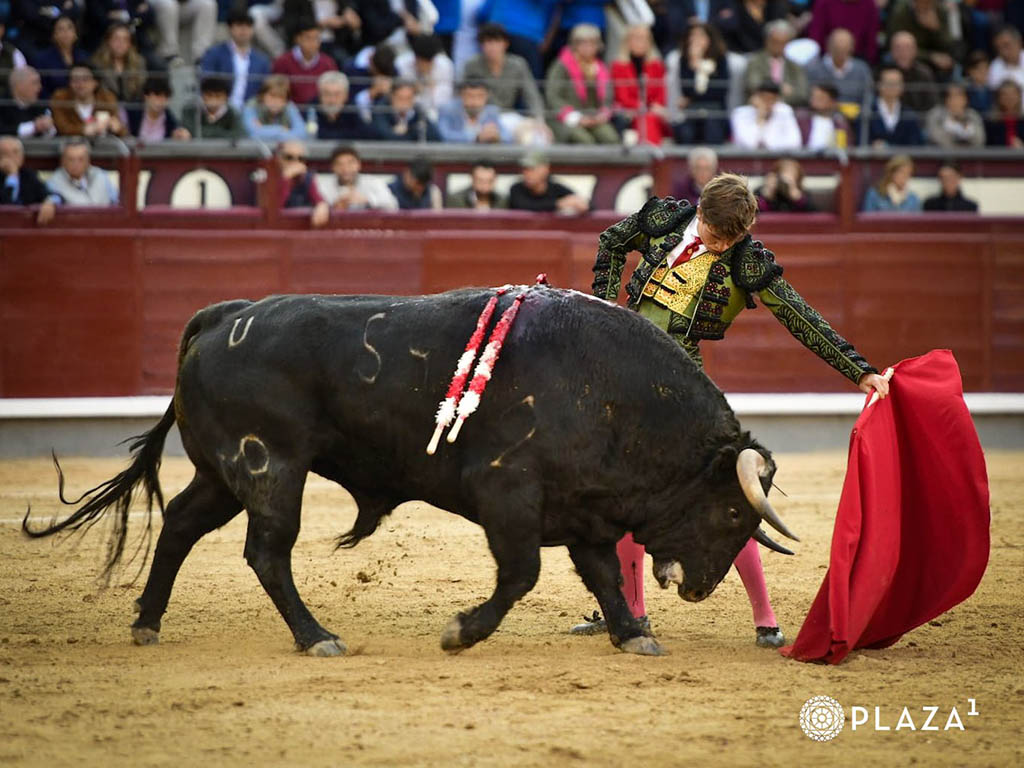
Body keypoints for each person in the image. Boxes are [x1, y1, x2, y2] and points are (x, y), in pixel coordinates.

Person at [578, 173, 888, 646]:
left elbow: (800, 316)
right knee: (617, 498)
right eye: (715, 236)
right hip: (621, 377)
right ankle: (627, 613)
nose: (722, 247)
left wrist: (860, 371)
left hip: (684, 388)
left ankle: (766, 619)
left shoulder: (747, 263)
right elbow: (612, 241)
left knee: (725, 496)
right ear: (699, 214)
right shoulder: (666, 218)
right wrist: (603, 306)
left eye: (732, 240)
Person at [461, 22, 546, 140]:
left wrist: (539, 120)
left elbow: (531, 95)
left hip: (509, 116)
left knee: (537, 135)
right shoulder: (472, 65)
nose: (492, 47)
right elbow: (463, 96)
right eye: (487, 42)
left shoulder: (518, 64)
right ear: (481, 45)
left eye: (496, 41)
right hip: (481, 117)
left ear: (505, 44)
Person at [544, 23, 618, 144]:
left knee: (611, 138)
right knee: (584, 140)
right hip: (566, 119)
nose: (588, 47)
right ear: (575, 44)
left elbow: (608, 98)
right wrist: (577, 118)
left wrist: (602, 115)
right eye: (583, 43)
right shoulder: (562, 65)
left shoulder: (601, 68)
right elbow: (553, 96)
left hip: (594, 118)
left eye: (592, 43)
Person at [198, 8, 272, 111]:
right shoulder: (214, 53)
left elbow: (265, 90)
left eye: (247, 26)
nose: (243, 30)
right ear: (230, 28)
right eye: (239, 25)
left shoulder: (262, 60)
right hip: (219, 109)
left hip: (251, 111)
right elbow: (205, 81)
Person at [668, 22, 730, 144]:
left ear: (710, 39)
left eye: (701, 36)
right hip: (692, 111)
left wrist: (692, 98)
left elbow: (719, 92)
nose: (696, 40)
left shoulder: (720, 59)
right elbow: (687, 90)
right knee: (684, 133)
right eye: (693, 36)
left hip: (714, 110)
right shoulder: (684, 61)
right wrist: (694, 65)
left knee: (712, 132)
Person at [610, 24, 669, 145]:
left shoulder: (657, 65)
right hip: (629, 110)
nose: (640, 42)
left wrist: (653, 107)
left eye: (644, 39)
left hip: (653, 111)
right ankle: (651, 153)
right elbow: (622, 96)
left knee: (650, 118)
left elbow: (661, 93)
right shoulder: (618, 66)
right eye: (636, 38)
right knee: (646, 119)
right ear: (627, 41)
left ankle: (649, 152)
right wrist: (642, 108)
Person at [271, 17, 339, 106]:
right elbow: (276, 92)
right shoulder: (282, 62)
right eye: (308, 38)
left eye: (316, 38)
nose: (313, 43)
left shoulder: (328, 63)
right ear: (298, 39)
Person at [805, 27, 874, 110]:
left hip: (855, 118)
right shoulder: (813, 69)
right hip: (822, 115)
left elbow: (868, 97)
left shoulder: (862, 69)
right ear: (829, 46)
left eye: (845, 49)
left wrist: (862, 117)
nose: (840, 53)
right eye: (837, 49)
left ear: (852, 48)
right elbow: (808, 97)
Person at [50, 64, 127, 137]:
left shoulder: (106, 98)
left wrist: (117, 128)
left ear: (95, 82)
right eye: (75, 79)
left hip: (101, 146)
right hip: (70, 145)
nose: (80, 84)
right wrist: (83, 130)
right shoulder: (61, 98)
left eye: (85, 79)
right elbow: (61, 127)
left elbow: (122, 130)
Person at [743, 19, 808, 106]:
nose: (778, 46)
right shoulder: (755, 61)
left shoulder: (794, 66)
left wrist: (776, 99)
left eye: (783, 43)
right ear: (767, 40)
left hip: (787, 108)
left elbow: (802, 94)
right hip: (759, 106)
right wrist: (780, 88)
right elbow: (753, 85)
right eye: (775, 41)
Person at [886, 0, 956, 79]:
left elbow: (949, 45)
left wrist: (936, 29)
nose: (925, 5)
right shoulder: (902, 12)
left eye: (928, 2)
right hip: (911, 55)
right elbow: (896, 46)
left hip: (937, 56)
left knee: (953, 65)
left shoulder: (941, 11)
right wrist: (930, 57)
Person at [319, 144, 398, 211]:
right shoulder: (323, 186)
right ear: (333, 167)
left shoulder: (373, 182)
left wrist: (367, 200)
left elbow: (393, 205)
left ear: (359, 164)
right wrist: (333, 207)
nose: (345, 169)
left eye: (350, 163)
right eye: (339, 164)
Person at [397, 33, 455, 122]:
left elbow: (443, 102)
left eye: (428, 62)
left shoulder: (445, 65)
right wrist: (414, 91)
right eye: (421, 62)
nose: (424, 66)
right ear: (416, 57)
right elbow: (399, 98)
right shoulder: (401, 64)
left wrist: (430, 88)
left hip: (437, 115)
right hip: (408, 114)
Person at [508, 150, 588, 214]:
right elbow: (525, 206)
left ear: (545, 169)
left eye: (532, 169)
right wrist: (559, 204)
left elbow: (585, 204)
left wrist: (581, 205)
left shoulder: (556, 188)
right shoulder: (516, 189)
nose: (527, 173)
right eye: (525, 169)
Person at [0, 135, 58, 224]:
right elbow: (8, 207)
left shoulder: (28, 175)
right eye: (5, 153)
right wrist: (12, 176)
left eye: (15, 152)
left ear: (22, 156)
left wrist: (50, 202)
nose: (11, 157)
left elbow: (52, 194)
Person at [46, 137, 119, 206]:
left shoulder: (101, 176)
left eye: (81, 159)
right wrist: (50, 203)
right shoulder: (55, 182)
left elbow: (117, 201)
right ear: (63, 161)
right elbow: (52, 199)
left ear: (88, 160)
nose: (76, 164)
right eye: (71, 159)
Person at [730, 81, 802, 150]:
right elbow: (750, 144)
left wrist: (767, 145)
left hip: (777, 158)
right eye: (764, 98)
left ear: (778, 99)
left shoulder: (785, 111)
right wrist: (760, 117)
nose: (768, 103)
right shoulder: (740, 114)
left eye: (772, 99)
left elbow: (795, 142)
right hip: (748, 161)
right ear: (755, 97)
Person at [30, 14, 88, 97]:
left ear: (75, 34)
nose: (66, 32)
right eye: (60, 29)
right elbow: (41, 88)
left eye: (69, 28)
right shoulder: (42, 59)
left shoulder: (84, 57)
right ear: (54, 35)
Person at [90, 22, 147, 106]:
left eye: (125, 40)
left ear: (130, 44)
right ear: (108, 41)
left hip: (132, 111)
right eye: (116, 39)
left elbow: (141, 92)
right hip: (105, 109)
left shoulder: (139, 63)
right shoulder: (96, 63)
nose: (120, 43)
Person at [276, 138, 330, 226]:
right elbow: (273, 210)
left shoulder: (307, 178)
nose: (295, 162)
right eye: (289, 157)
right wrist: (285, 179)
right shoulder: (267, 177)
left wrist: (322, 205)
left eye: (300, 158)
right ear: (278, 158)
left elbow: (318, 199)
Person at [807, 0, 879, 63]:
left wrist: (869, 62)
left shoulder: (869, 4)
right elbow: (816, 36)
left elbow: (871, 40)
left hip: (858, 59)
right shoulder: (824, 3)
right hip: (827, 58)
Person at [437, 79, 508, 143]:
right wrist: (476, 137)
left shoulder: (492, 112)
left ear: (487, 97)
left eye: (480, 96)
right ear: (461, 96)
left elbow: (508, 137)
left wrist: (497, 136)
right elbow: (443, 136)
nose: (475, 101)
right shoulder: (448, 110)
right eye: (469, 96)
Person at [868, 67, 925, 146]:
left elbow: (917, 143)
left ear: (902, 86)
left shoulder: (909, 114)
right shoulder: (867, 112)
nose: (893, 86)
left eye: (897, 83)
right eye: (889, 83)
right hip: (874, 157)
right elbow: (860, 141)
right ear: (879, 85)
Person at [885, 31, 939, 114]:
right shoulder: (883, 72)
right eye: (898, 48)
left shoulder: (924, 73)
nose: (903, 52)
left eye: (907, 48)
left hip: (920, 120)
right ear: (891, 50)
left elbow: (932, 103)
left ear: (915, 50)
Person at [370, 79, 441, 141]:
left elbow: (434, 136)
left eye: (408, 98)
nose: (404, 103)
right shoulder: (380, 109)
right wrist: (415, 133)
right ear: (392, 97)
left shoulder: (418, 111)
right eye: (400, 98)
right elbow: (385, 137)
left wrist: (409, 129)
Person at [149, 0, 217, 64]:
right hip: (160, 5)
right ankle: (169, 55)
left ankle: (202, 57)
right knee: (168, 4)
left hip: (184, 4)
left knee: (207, 4)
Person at [243, 74, 306, 141]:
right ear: (262, 95)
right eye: (272, 96)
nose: (276, 101)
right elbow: (253, 133)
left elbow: (302, 133)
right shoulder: (252, 105)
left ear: (286, 100)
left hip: (283, 147)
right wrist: (281, 130)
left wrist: (264, 130)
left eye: (280, 98)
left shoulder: (289, 106)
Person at [128, 74, 190, 141]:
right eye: (157, 95)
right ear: (146, 96)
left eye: (166, 96)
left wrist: (181, 135)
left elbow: (178, 131)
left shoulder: (170, 120)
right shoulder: (131, 113)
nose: (162, 100)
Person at [181, 76, 245, 139]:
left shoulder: (233, 113)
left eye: (218, 96)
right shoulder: (190, 110)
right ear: (202, 95)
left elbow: (239, 135)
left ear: (226, 98)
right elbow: (187, 131)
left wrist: (204, 133)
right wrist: (222, 133)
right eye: (209, 95)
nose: (213, 99)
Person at [925, 82, 985, 148]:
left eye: (959, 95)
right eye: (951, 96)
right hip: (943, 155)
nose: (955, 100)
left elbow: (980, 139)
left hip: (970, 155)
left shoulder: (973, 115)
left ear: (965, 99)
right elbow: (936, 137)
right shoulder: (936, 114)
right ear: (946, 99)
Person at [0, 67, 55, 138]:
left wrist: (47, 126)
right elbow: (3, 131)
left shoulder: (39, 104)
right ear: (19, 85)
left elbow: (52, 133)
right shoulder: (3, 103)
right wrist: (34, 127)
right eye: (35, 83)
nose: (40, 87)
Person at [311, 71, 367, 139]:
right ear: (319, 95)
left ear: (346, 96)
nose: (332, 100)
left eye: (337, 94)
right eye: (326, 94)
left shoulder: (353, 110)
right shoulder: (310, 109)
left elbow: (364, 133)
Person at [804, 82, 851, 150]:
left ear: (832, 102)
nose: (815, 100)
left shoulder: (840, 123)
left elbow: (846, 147)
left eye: (820, 98)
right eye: (813, 97)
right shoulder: (802, 119)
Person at [985, 79, 1024, 147]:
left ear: (1019, 96)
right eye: (1005, 94)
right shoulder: (990, 123)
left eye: (1013, 94)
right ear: (998, 98)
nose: (1009, 98)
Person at [988, 25, 1024, 92]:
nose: (1003, 52)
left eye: (1006, 45)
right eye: (998, 48)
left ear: (1019, 42)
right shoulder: (994, 68)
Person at [965, 50, 994, 114]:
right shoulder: (964, 91)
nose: (984, 72)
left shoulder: (993, 90)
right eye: (980, 69)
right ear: (970, 71)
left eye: (986, 68)